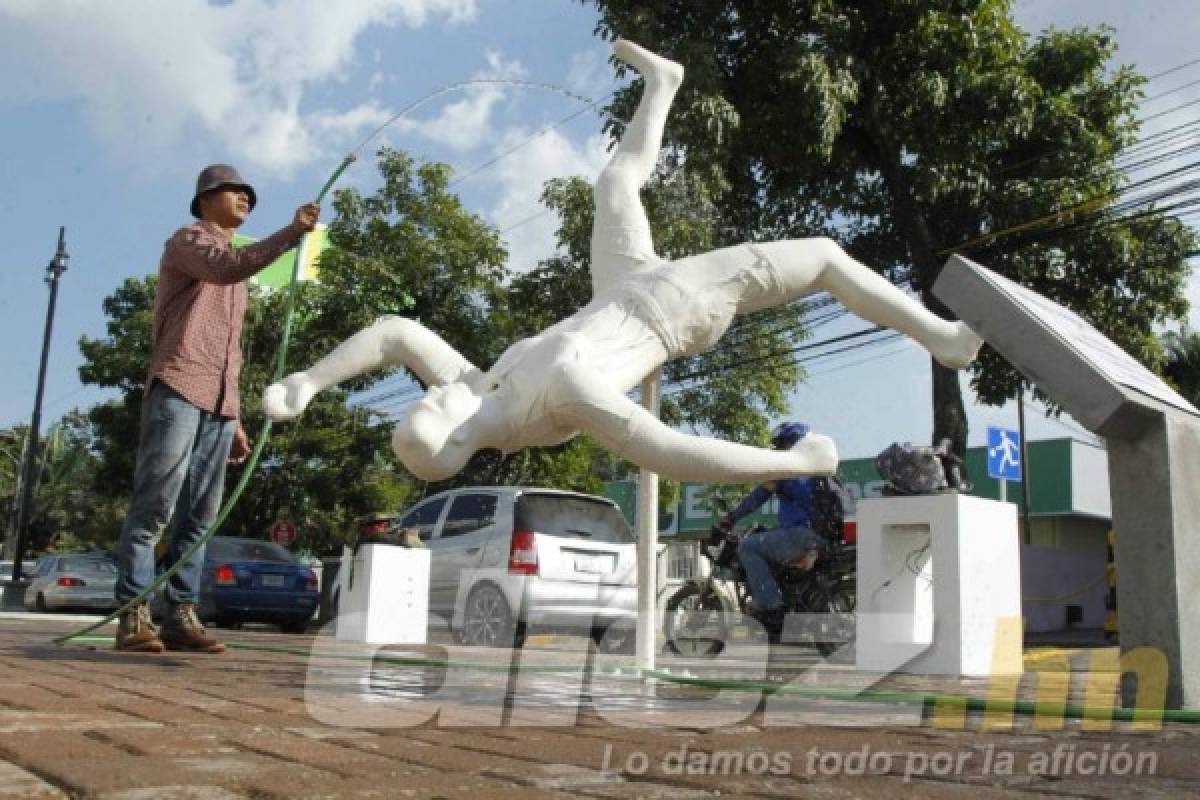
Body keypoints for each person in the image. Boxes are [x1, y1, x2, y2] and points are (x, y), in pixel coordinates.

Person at [264, 40, 981, 487]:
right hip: (674, 307)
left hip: (624, 283)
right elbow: (665, 448)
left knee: (612, 183)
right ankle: (943, 339)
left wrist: (308, 383)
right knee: (824, 256)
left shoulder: (475, 386)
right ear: (455, 438)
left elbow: (393, 333)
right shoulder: (557, 396)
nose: (428, 393)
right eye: (431, 407)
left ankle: (662, 84)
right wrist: (795, 463)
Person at [113, 164, 320, 653]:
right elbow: (226, 268)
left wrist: (237, 416)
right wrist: (291, 232)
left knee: (201, 517)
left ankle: (181, 616)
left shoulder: (237, 266)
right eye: (235, 191)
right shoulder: (188, 241)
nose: (245, 198)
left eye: (249, 193)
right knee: (156, 507)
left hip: (219, 402)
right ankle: (132, 615)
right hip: (180, 383)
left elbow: (231, 351)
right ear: (206, 198)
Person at [717, 422, 823, 633]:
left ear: (788, 443)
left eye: (779, 445)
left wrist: (732, 517)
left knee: (748, 547)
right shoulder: (818, 468)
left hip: (801, 535)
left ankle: (771, 607)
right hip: (820, 535)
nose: (777, 450)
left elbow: (757, 498)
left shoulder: (787, 469)